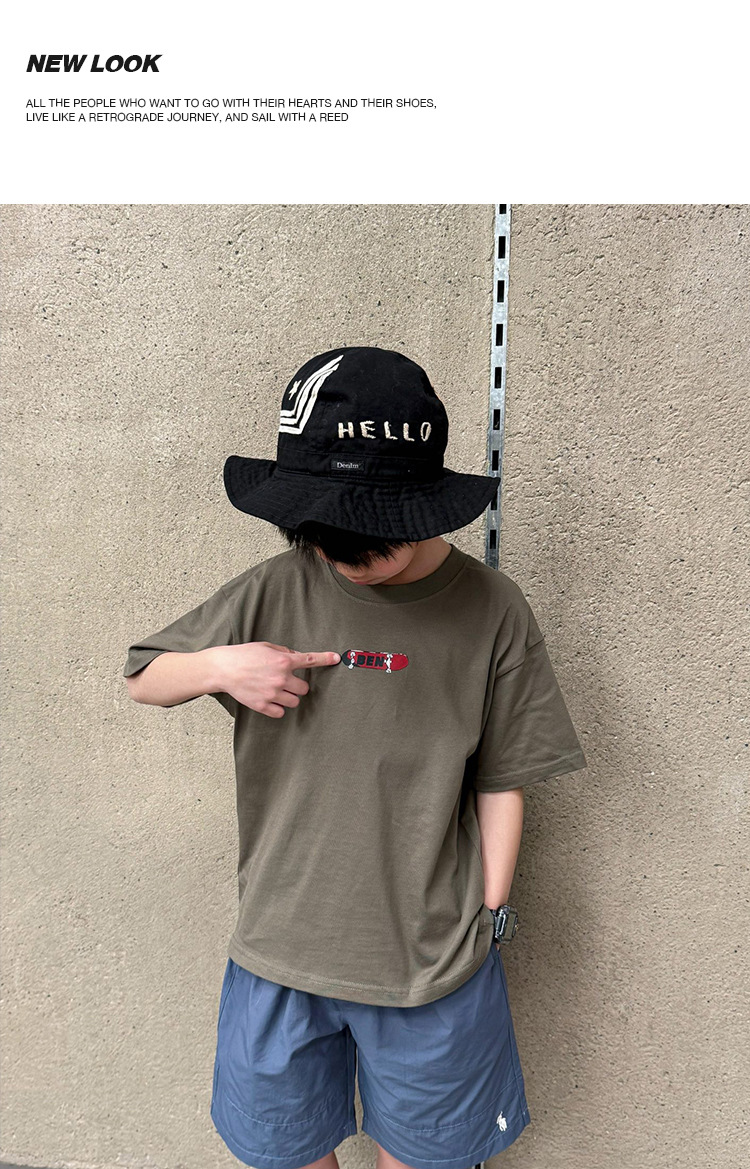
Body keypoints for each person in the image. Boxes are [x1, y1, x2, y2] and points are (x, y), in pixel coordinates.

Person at [123, 346, 587, 1169]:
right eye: (329, 546)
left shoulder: (492, 609)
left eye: (372, 547)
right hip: (280, 949)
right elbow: (144, 676)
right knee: (286, 1151)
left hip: (433, 964)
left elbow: (505, 776)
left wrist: (490, 914)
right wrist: (223, 666)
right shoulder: (275, 587)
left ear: (422, 507)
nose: (349, 565)